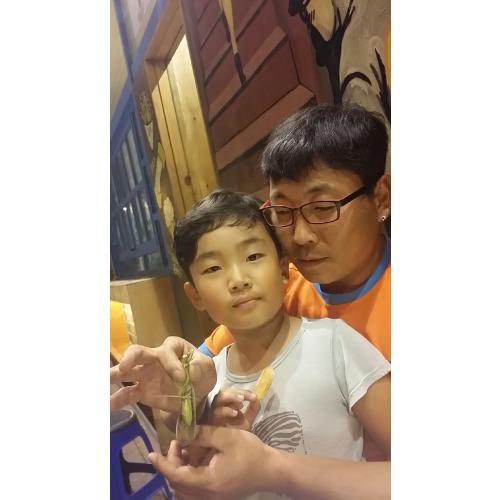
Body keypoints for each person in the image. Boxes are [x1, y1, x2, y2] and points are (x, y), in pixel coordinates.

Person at [147, 188, 390, 500]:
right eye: (213, 268)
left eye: (252, 257)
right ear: (195, 296)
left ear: (283, 269)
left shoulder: (335, 344)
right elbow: (198, 486)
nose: (238, 279)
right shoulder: (209, 381)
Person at [199, 103, 391, 362]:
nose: (300, 236)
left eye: (322, 208)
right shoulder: (279, 287)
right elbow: (202, 361)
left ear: (381, 198)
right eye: (282, 211)